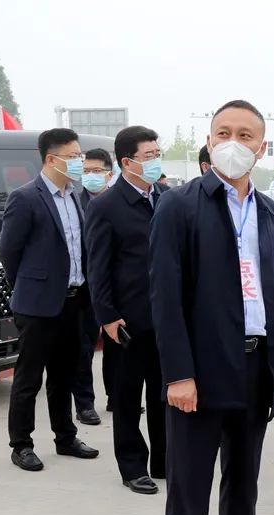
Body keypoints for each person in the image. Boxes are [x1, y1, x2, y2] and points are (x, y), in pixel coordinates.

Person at [150, 100, 274, 515]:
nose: (234, 142)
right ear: (209, 141)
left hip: (256, 365)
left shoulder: (271, 213)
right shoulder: (179, 206)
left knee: (243, 483)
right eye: (223, 132)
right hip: (201, 371)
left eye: (246, 135)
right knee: (190, 490)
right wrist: (178, 374)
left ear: (262, 146)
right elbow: (164, 298)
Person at [0, 128, 100, 472]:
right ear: (51, 159)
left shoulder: (75, 196)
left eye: (80, 156)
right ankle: (21, 444)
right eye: (74, 157)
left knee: (64, 375)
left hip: (73, 300)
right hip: (37, 305)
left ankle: (65, 437)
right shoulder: (26, 198)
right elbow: (8, 251)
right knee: (29, 378)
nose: (79, 162)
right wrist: (29, 286)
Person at [85, 126, 167, 495]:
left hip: (165, 317)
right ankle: (132, 467)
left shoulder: (166, 199)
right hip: (127, 321)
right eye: (148, 156)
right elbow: (97, 267)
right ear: (126, 162)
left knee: (164, 395)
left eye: (157, 154)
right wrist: (107, 316)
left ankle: (165, 460)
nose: (155, 161)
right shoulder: (106, 206)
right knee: (128, 398)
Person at [73, 147, 116, 426]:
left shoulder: (118, 202)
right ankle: (85, 404)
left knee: (117, 345)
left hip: (116, 287)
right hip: (85, 288)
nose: (91, 176)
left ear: (109, 174)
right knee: (84, 347)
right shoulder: (75, 203)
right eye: (86, 171)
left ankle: (116, 395)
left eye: (96, 171)